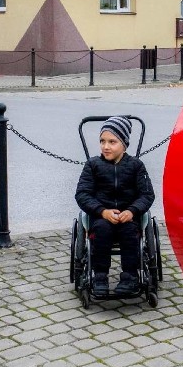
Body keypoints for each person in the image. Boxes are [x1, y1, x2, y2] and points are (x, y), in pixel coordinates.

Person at [75, 116, 155, 296]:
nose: (106, 146)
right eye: (102, 141)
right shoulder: (93, 165)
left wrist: (132, 211)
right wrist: (102, 211)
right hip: (101, 216)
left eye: (112, 142)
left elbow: (147, 195)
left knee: (129, 233)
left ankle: (130, 277)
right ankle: (100, 276)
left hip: (128, 216)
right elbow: (82, 194)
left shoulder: (136, 166)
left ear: (124, 144)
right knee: (102, 231)